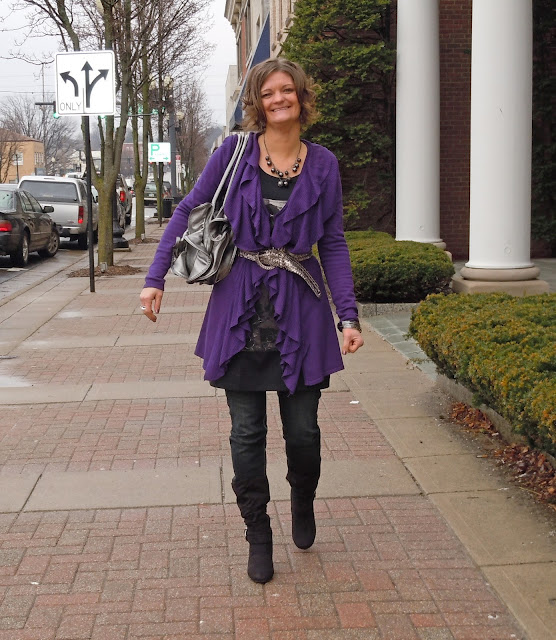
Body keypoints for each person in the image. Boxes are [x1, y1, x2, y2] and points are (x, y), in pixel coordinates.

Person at [140, 58, 364, 584]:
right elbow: (187, 210)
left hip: (301, 311)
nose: (279, 99)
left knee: (303, 432)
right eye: (268, 93)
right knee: (246, 432)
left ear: (301, 97)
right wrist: (155, 276)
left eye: (287, 90)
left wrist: (348, 315)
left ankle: (302, 497)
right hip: (239, 310)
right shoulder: (234, 152)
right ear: (257, 103)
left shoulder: (324, 164)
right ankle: (257, 532)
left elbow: (332, 242)